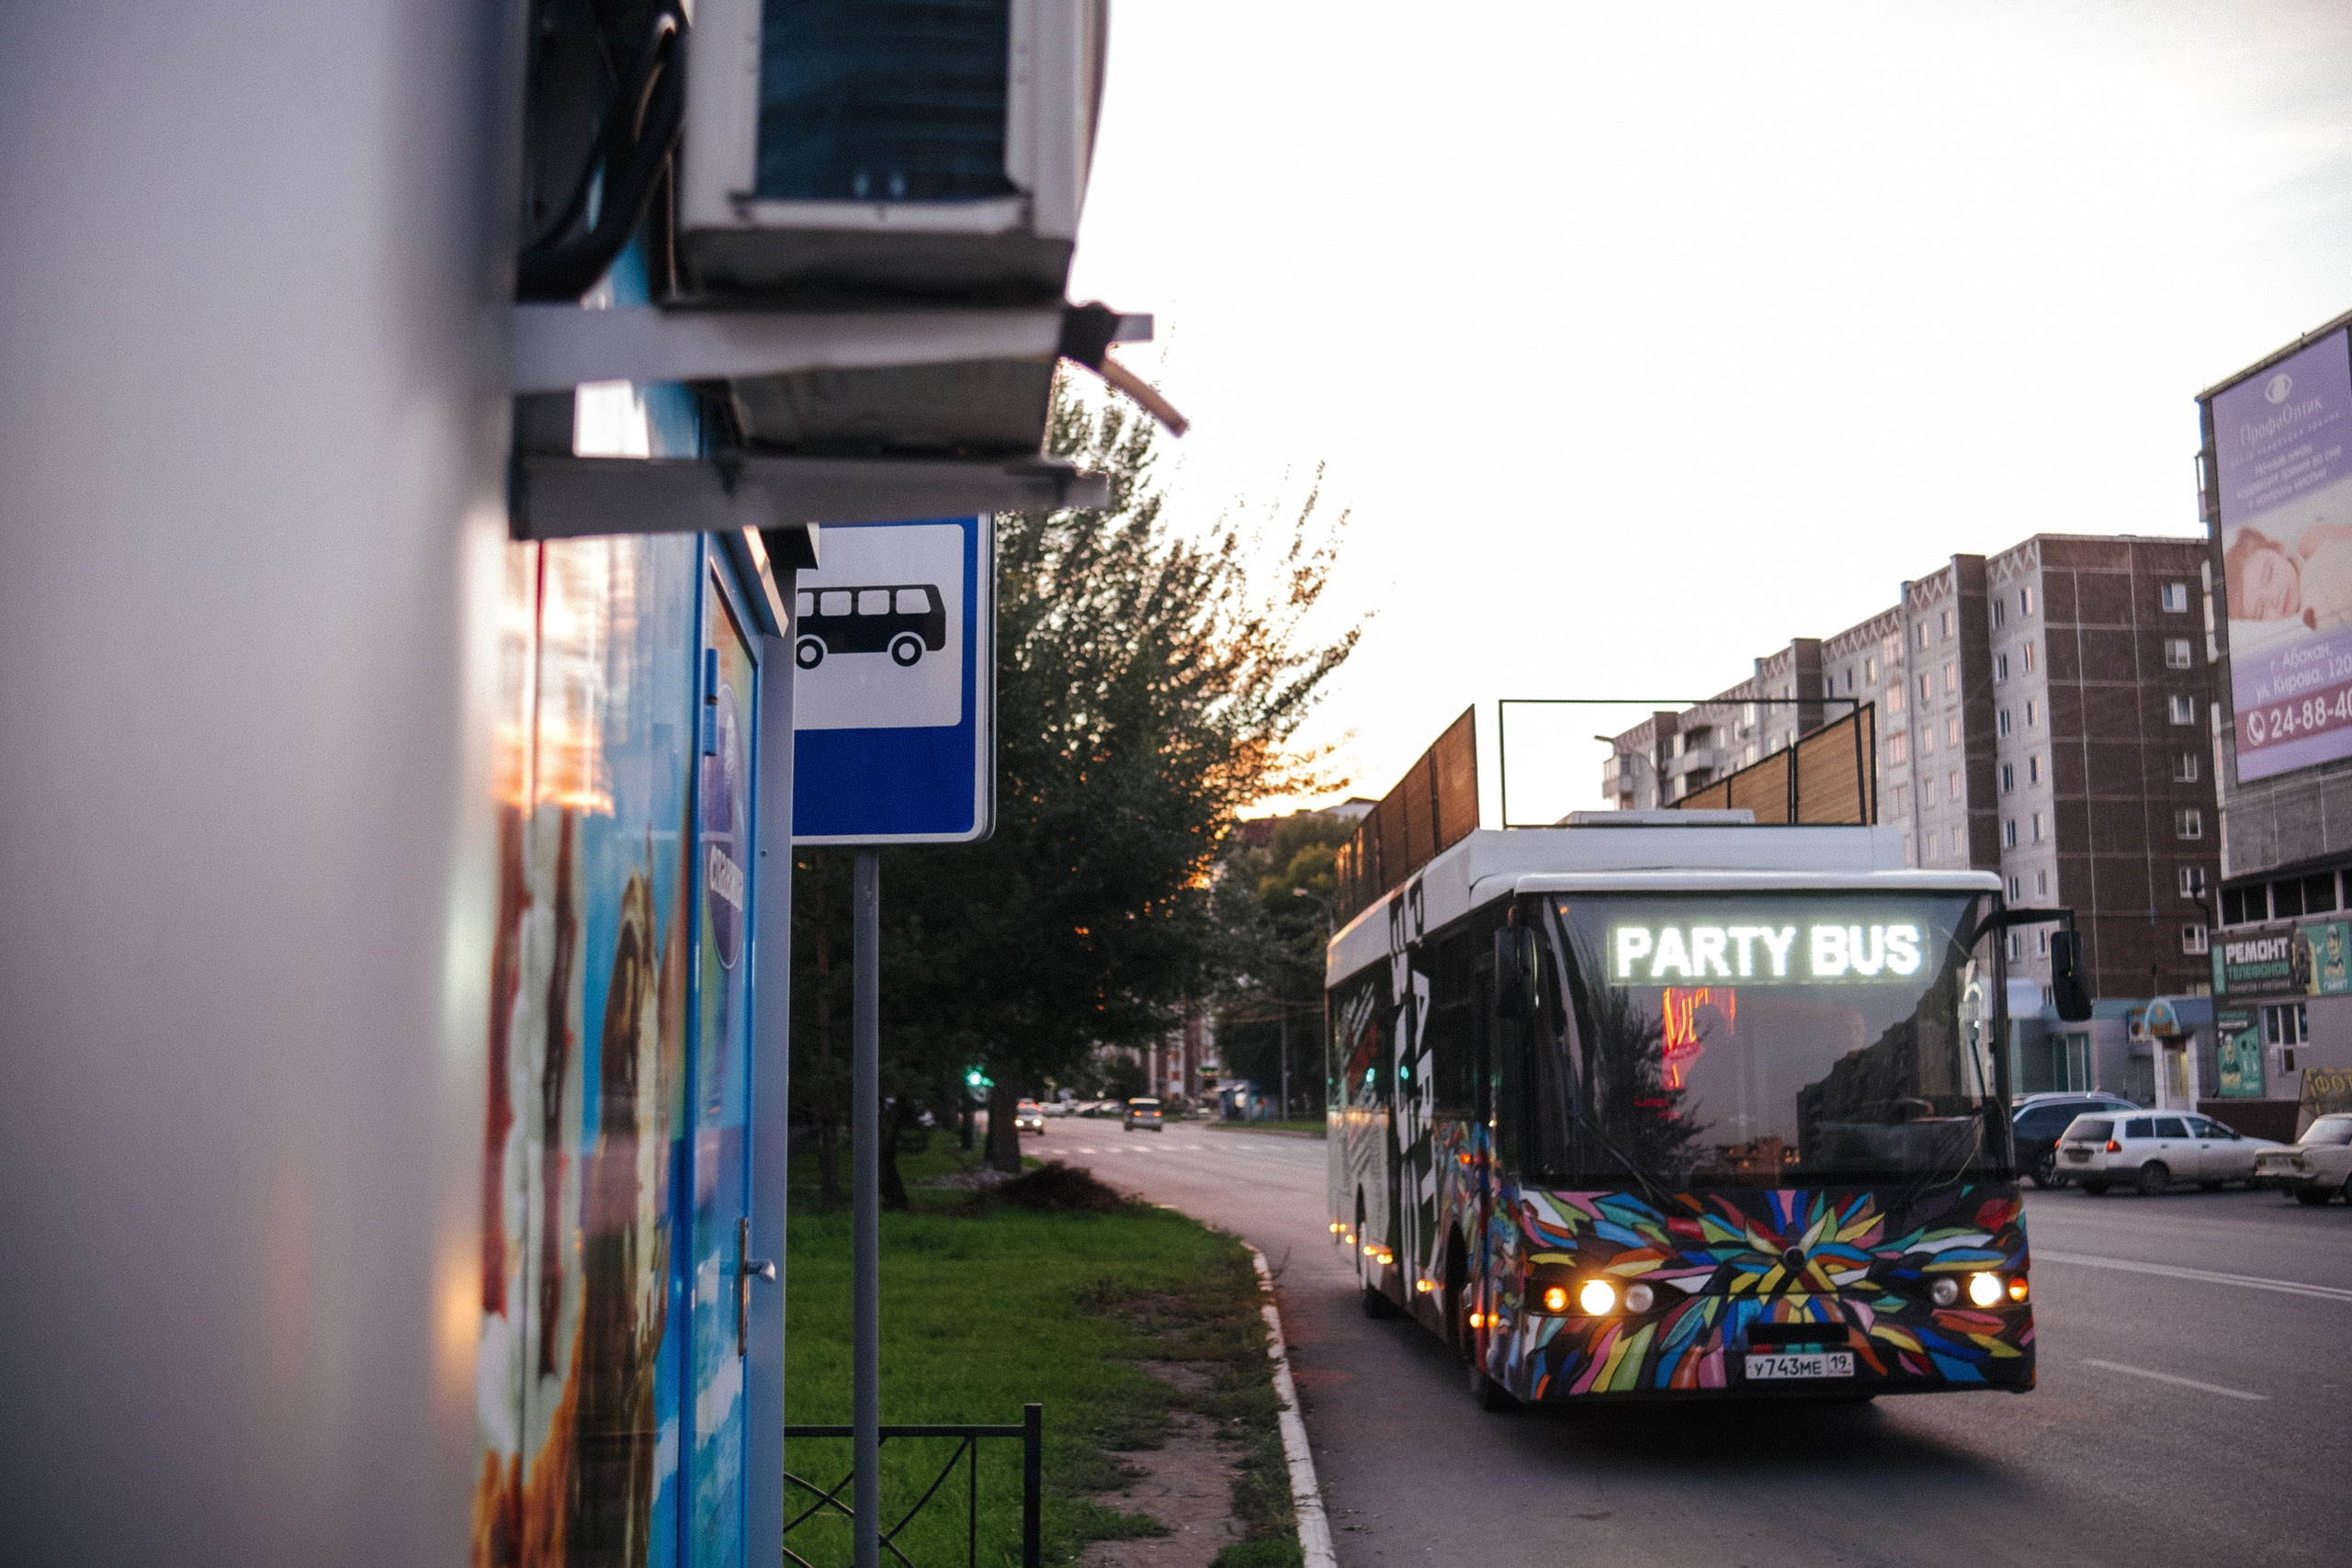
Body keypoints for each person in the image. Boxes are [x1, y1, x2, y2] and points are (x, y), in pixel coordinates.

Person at [2224, 519, 2352, 628]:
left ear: (2277, 549)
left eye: (2268, 575)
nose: (2274, 597)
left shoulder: (2309, 542)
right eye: (2261, 611)